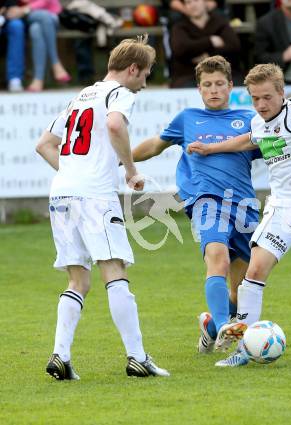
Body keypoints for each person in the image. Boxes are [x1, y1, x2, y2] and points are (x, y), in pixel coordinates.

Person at [188, 63, 291, 367]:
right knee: (253, 274)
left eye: (267, 97)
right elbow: (250, 139)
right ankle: (243, 350)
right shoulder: (259, 121)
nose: (261, 104)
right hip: (281, 209)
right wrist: (212, 150)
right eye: (255, 98)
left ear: (281, 92)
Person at [36, 35, 169, 380]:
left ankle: (60, 356)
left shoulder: (79, 97)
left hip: (61, 195)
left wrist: (72, 175)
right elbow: (114, 125)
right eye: (146, 74)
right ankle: (138, 357)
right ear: (133, 69)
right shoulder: (118, 93)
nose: (145, 82)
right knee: (115, 270)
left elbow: (44, 145)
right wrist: (130, 170)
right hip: (94, 196)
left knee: (78, 278)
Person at [132, 55, 261, 354]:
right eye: (207, 85)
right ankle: (223, 329)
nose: (213, 90)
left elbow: (272, 151)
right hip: (205, 202)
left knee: (239, 290)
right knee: (218, 258)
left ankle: (212, 326)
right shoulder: (187, 119)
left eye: (219, 84)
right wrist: (120, 157)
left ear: (231, 86)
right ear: (199, 89)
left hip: (243, 206)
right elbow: (154, 145)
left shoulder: (249, 119)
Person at [169, 0, 241, 88]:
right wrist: (210, 41)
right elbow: (180, 49)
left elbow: (234, 47)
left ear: (205, 2)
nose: (193, 5)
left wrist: (208, 56)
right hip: (189, 76)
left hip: (221, 73)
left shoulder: (221, 23)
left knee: (237, 86)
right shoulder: (179, 27)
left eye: (196, 1)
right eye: (188, 2)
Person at [9, 0, 71, 91]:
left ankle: (38, 79)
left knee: (36, 29)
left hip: (50, 13)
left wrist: (26, 9)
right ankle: (56, 63)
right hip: (28, 15)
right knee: (44, 17)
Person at [0, 0, 25, 91]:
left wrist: (7, 8)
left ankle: (14, 78)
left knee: (17, 25)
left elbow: (12, 7)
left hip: (5, 16)